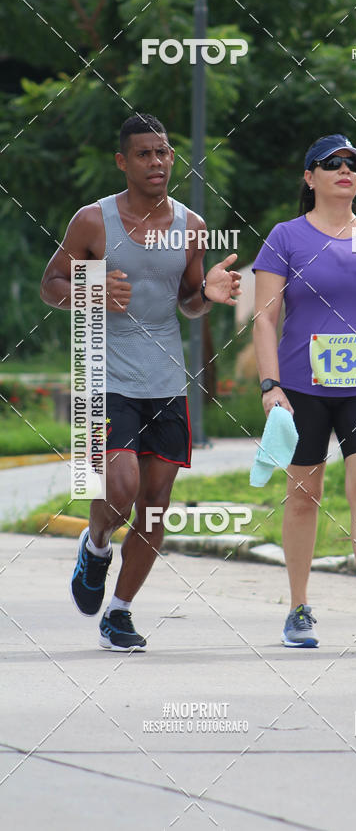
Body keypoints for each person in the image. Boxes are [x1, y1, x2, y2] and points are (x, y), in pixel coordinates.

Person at [40, 113, 241, 651]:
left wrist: (209, 296)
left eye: (164, 152)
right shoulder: (93, 221)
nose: (157, 161)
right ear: (122, 162)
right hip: (104, 373)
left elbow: (189, 302)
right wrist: (90, 291)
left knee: (154, 506)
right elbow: (51, 284)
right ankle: (96, 545)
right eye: (145, 153)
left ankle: (120, 613)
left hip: (166, 377)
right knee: (121, 487)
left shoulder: (192, 226)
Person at [252, 134, 356, 650]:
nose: (345, 170)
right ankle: (298, 609)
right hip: (302, 388)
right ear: (310, 177)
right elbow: (265, 318)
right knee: (305, 495)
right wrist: (270, 386)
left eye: (353, 164)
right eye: (331, 163)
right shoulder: (286, 237)